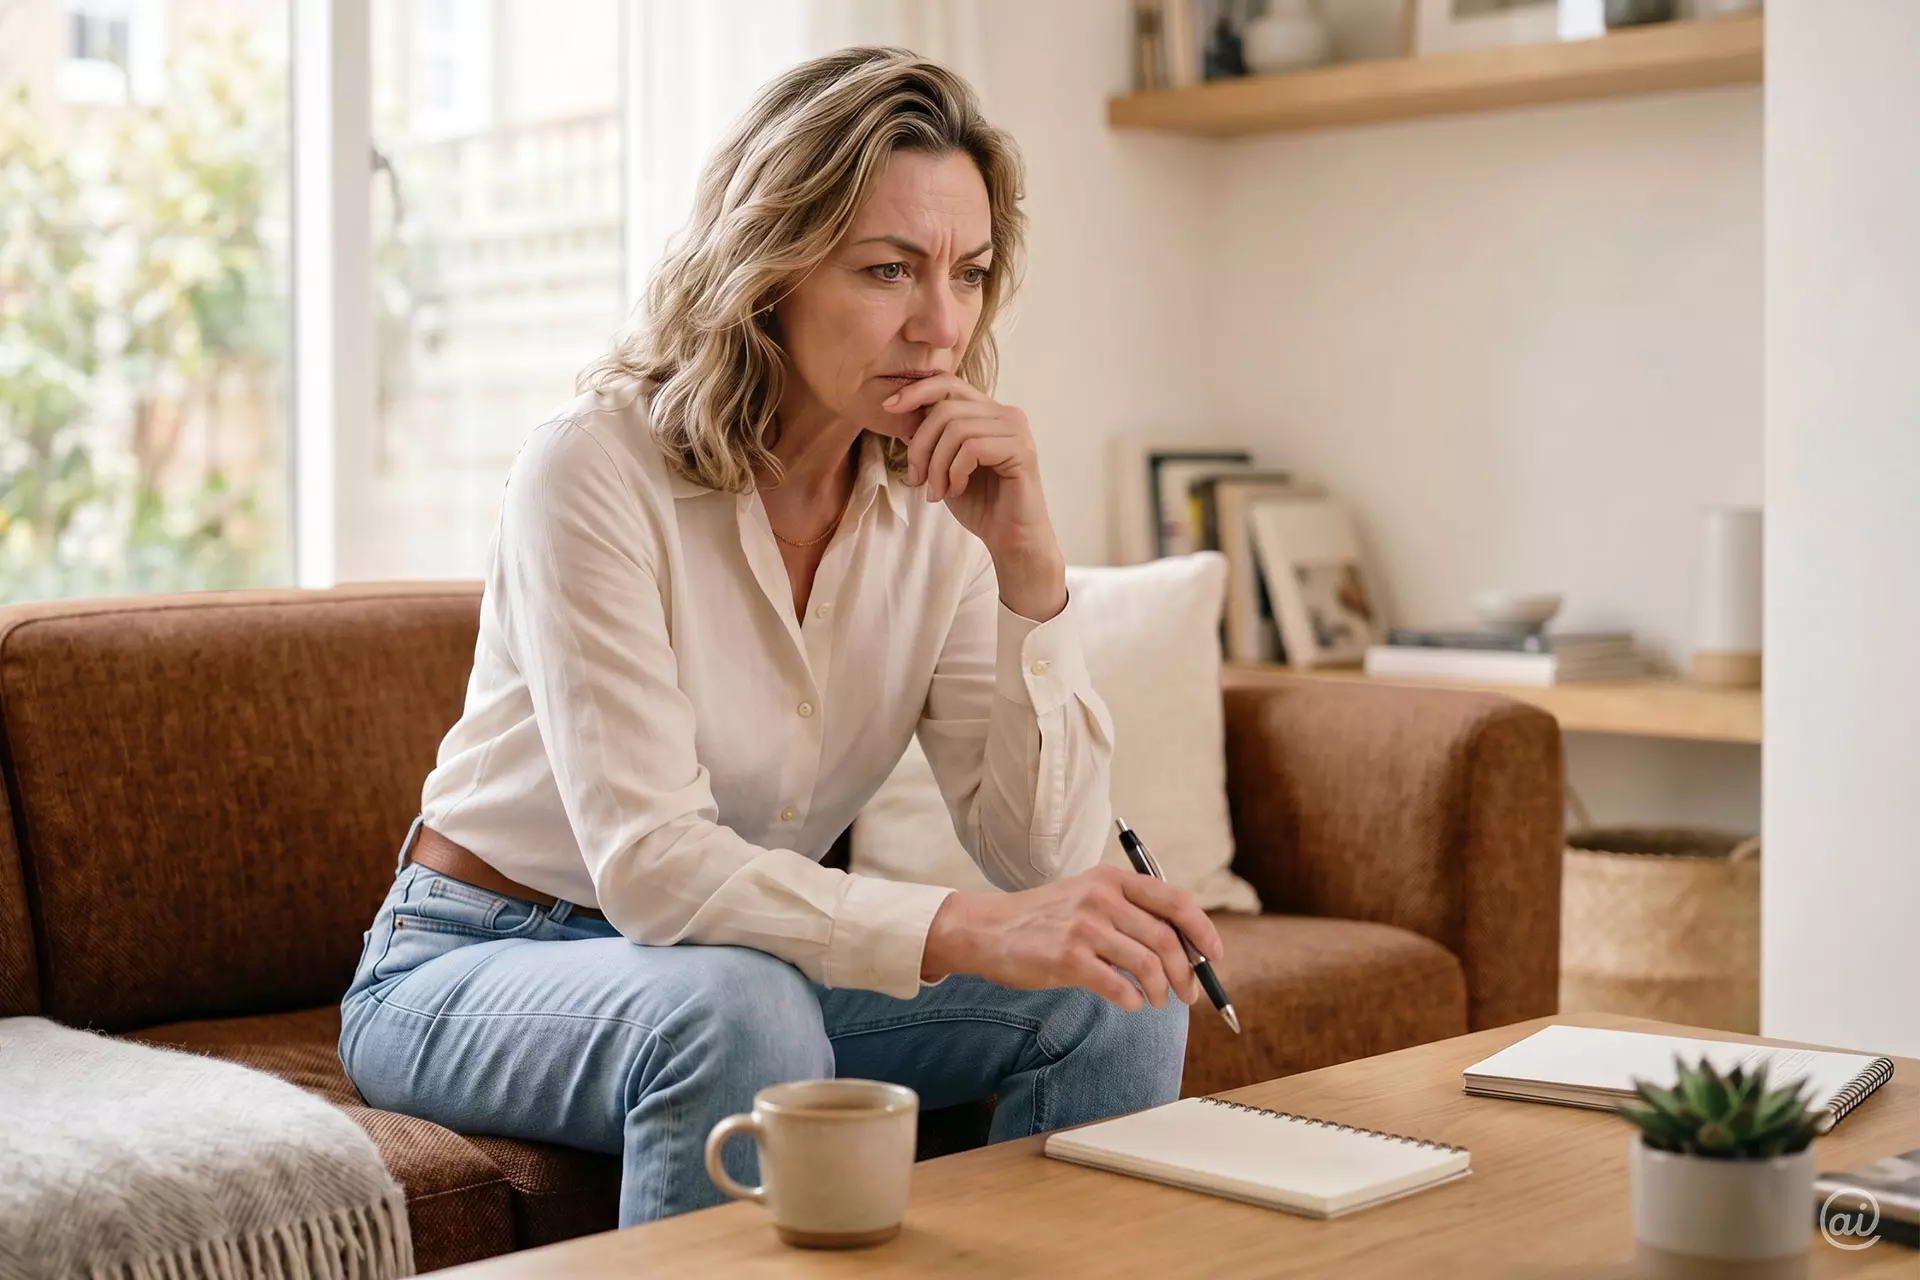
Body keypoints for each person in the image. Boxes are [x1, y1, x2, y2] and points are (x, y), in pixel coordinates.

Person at [338, 46, 1226, 1226]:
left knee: (1121, 985)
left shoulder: (940, 502)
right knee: (739, 1006)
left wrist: (1031, 575)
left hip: (735, 955)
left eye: (966, 273)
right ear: (771, 270)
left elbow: (1048, 857)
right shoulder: (593, 469)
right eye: (888, 270)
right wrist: (959, 927)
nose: (938, 324)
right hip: (474, 958)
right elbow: (653, 865)